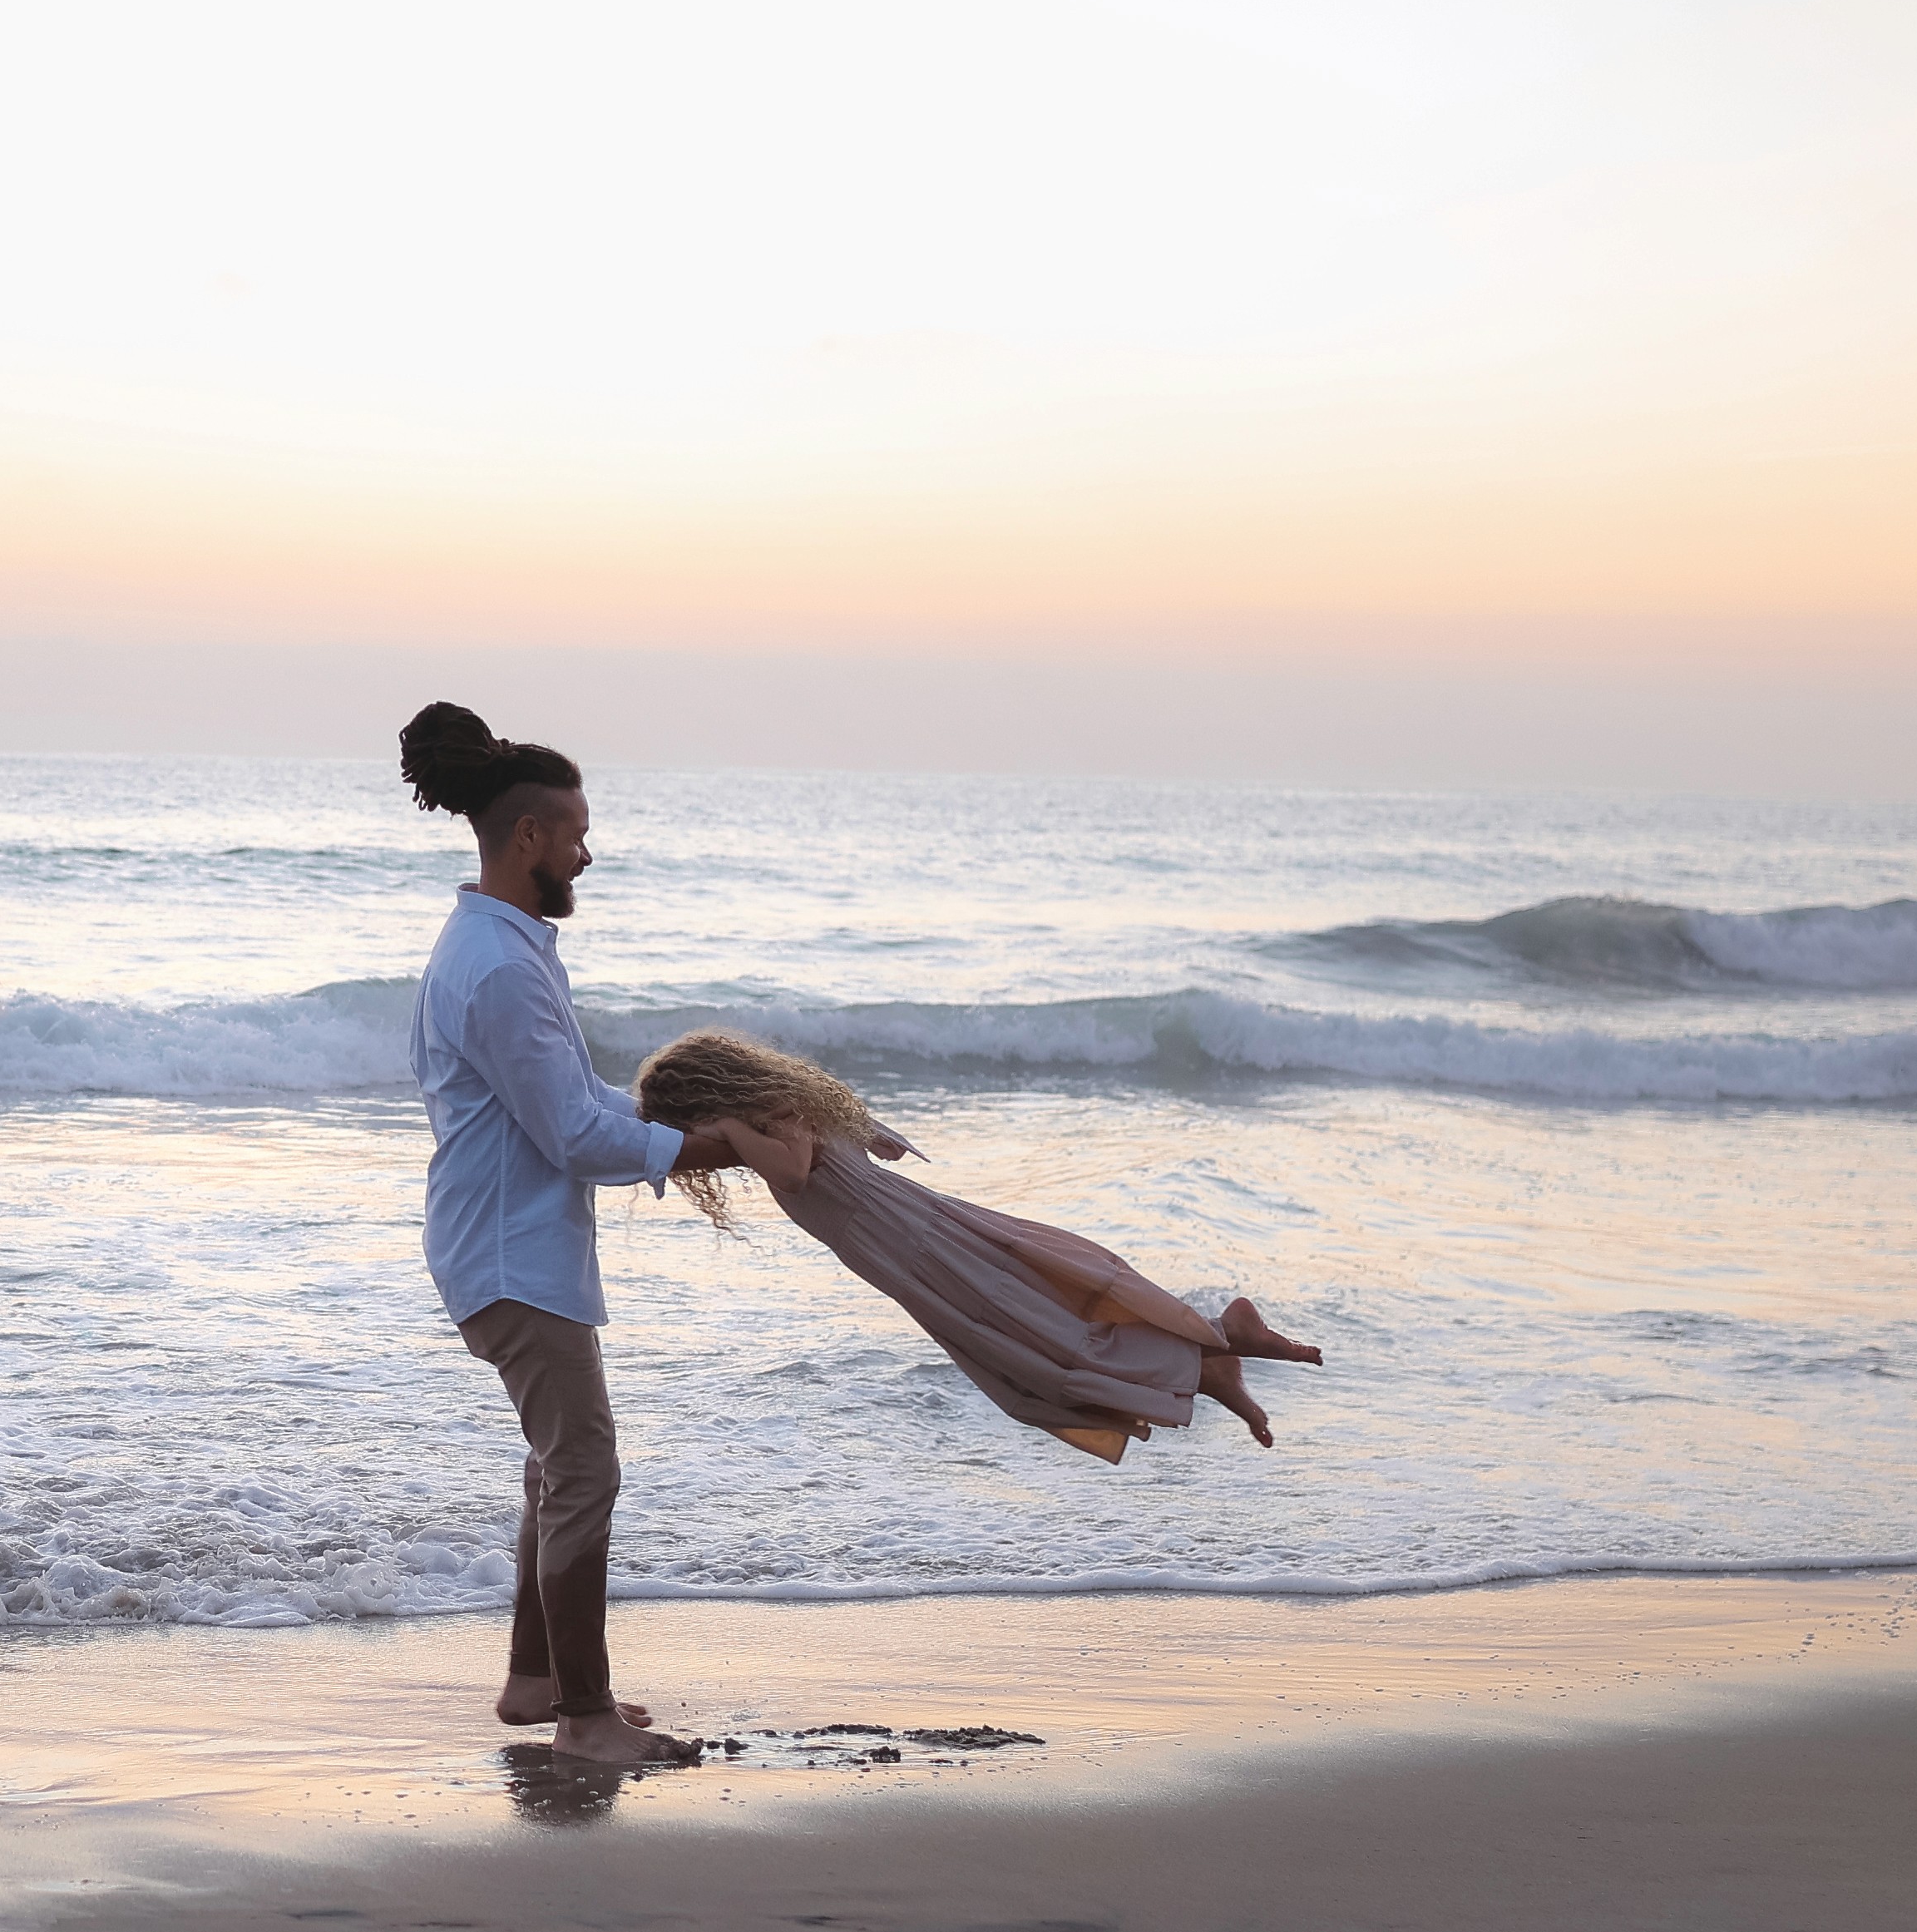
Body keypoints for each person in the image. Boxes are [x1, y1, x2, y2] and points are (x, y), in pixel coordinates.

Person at [398, 701, 809, 1770]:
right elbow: (574, 1135)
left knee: (555, 1467)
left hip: (510, 1244)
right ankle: (583, 1715)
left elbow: (577, 1098)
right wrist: (726, 1147)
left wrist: (705, 1124)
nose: (587, 849)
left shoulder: (502, 948)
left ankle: (536, 1683)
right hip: (506, 1254)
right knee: (583, 1466)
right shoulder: (492, 966)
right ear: (527, 836)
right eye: (575, 830)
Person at [628, 1030, 1327, 1454]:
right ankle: (1214, 1362)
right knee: (1043, 1340)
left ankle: (1220, 1338)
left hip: (918, 1247)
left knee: (1047, 1347)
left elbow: (794, 1166)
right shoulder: (796, 1101)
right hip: (916, 1244)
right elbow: (866, 1141)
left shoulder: (763, 1122)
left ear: (707, 1097)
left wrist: (728, 1130)